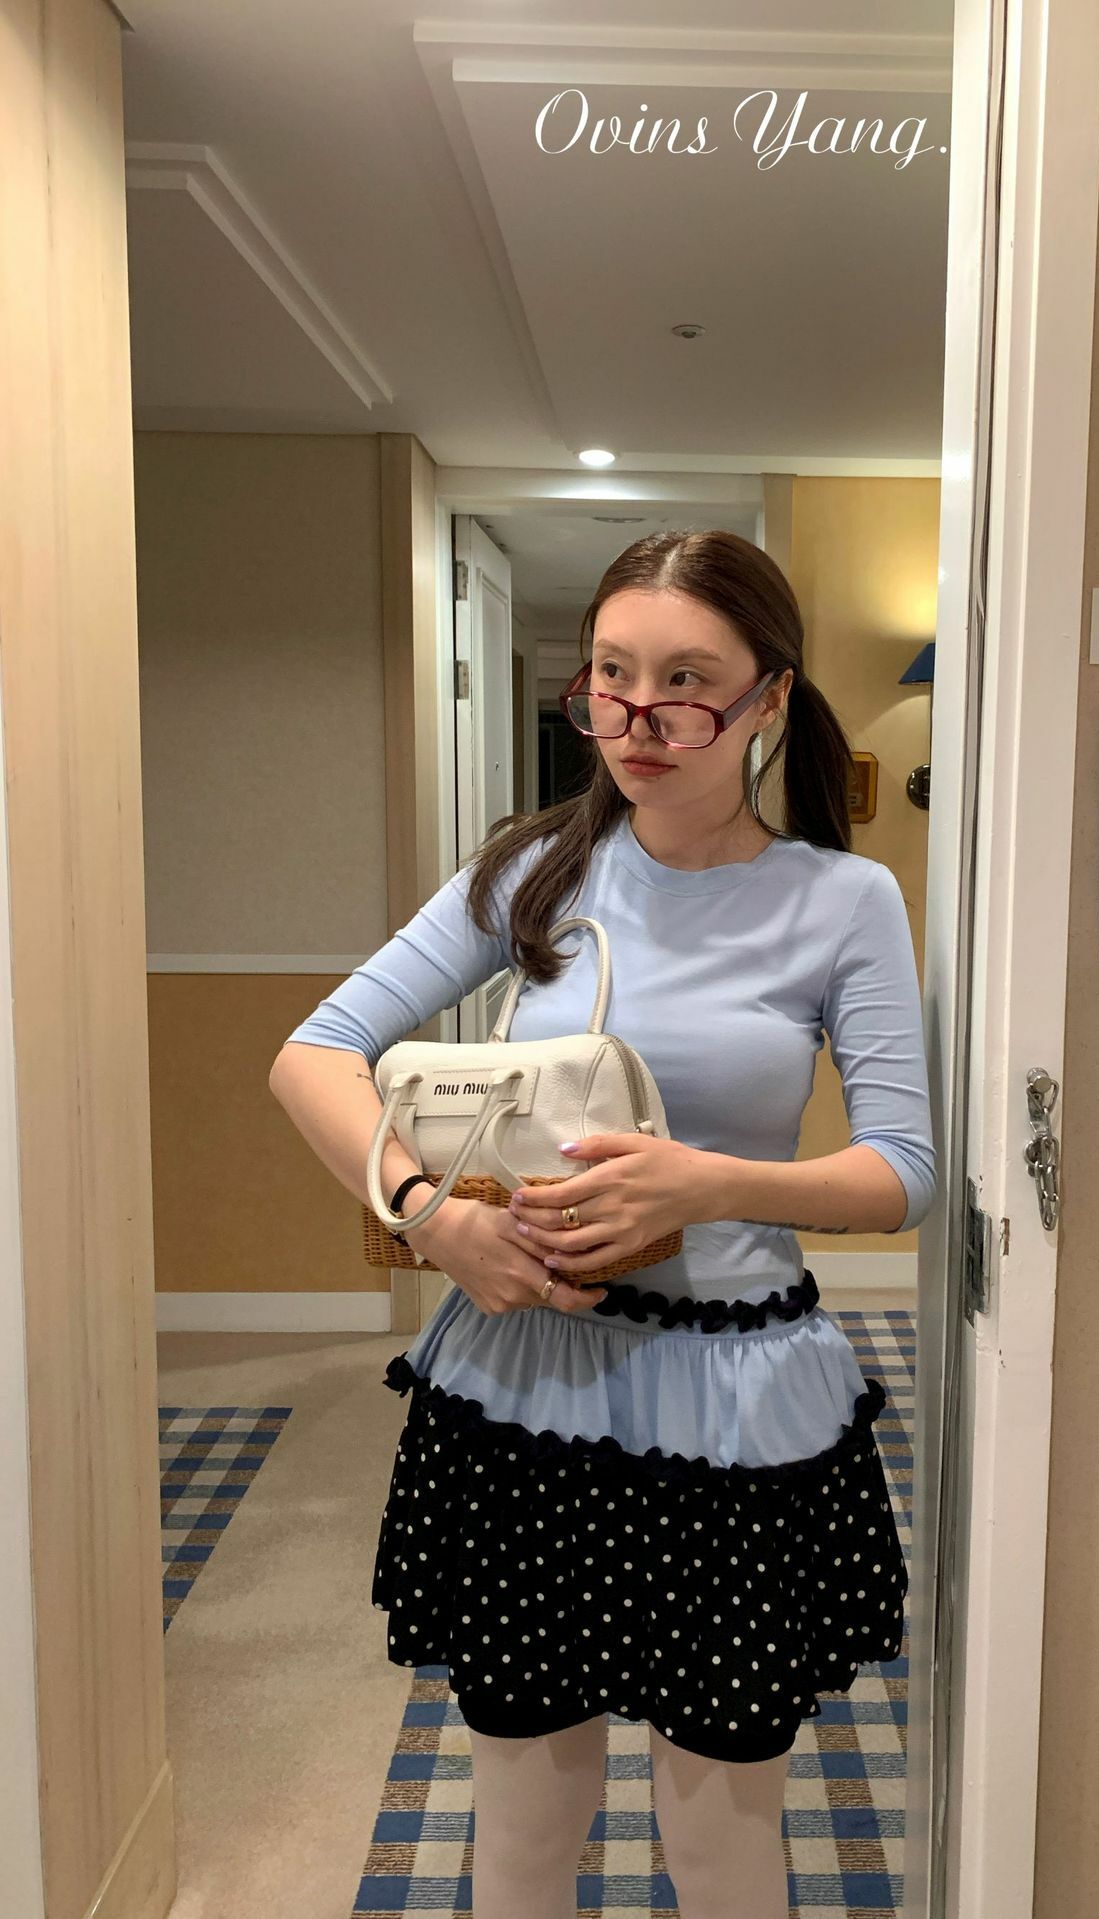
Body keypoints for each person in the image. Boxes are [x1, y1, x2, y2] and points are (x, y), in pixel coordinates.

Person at [269, 528, 936, 1919]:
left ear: (769, 696)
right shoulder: (535, 872)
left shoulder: (841, 899)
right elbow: (314, 1056)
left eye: (687, 681)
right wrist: (429, 1218)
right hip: (528, 1386)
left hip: (737, 1406)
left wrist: (709, 1182)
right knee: (525, 1830)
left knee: (722, 1841)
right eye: (614, 678)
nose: (640, 718)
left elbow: (901, 1172)